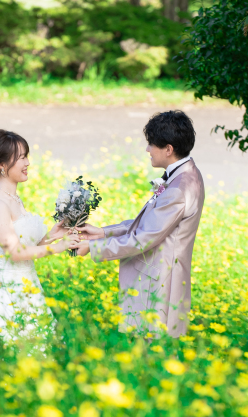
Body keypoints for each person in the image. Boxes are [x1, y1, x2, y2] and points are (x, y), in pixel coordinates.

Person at [75, 110, 205, 338]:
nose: (147, 149)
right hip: (160, 277)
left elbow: (144, 238)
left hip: (159, 283)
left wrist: (93, 247)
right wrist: (102, 232)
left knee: (152, 349)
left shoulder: (179, 188)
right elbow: (150, 223)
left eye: (151, 144)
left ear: (168, 149)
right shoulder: (186, 174)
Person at [0, 129, 80, 342]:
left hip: (28, 283)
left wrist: (52, 235)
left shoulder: (13, 198)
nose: (27, 163)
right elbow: (14, 252)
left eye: (26, 156)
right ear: (1, 165)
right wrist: (58, 247)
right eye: (21, 157)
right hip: (9, 289)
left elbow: (26, 245)